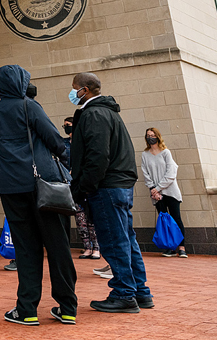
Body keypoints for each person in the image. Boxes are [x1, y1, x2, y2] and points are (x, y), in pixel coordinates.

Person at [0, 65, 77, 326]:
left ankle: (27, 309)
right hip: (42, 185)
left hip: (11, 187)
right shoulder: (29, 106)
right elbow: (54, 140)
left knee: (26, 249)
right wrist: (67, 160)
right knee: (58, 245)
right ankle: (67, 307)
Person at [68, 71, 152, 314]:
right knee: (126, 239)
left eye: (74, 88)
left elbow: (97, 156)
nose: (72, 93)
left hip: (106, 187)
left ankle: (124, 293)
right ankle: (139, 291)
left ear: (84, 90)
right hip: (118, 185)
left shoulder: (94, 114)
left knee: (114, 242)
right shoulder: (108, 112)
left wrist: (82, 188)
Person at [142, 127, 187, 258]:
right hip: (156, 194)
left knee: (176, 219)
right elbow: (145, 173)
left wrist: (158, 188)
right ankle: (170, 248)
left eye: (152, 135)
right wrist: (153, 189)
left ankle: (182, 247)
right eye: (148, 135)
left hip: (170, 191)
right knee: (164, 221)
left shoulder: (166, 152)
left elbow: (171, 173)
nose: (150, 138)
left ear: (158, 137)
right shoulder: (145, 155)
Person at [63, 116, 100, 260]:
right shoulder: (64, 143)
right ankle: (87, 247)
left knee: (91, 218)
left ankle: (96, 248)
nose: (67, 128)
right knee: (80, 218)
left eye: (68, 125)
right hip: (72, 184)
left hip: (85, 183)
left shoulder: (84, 141)